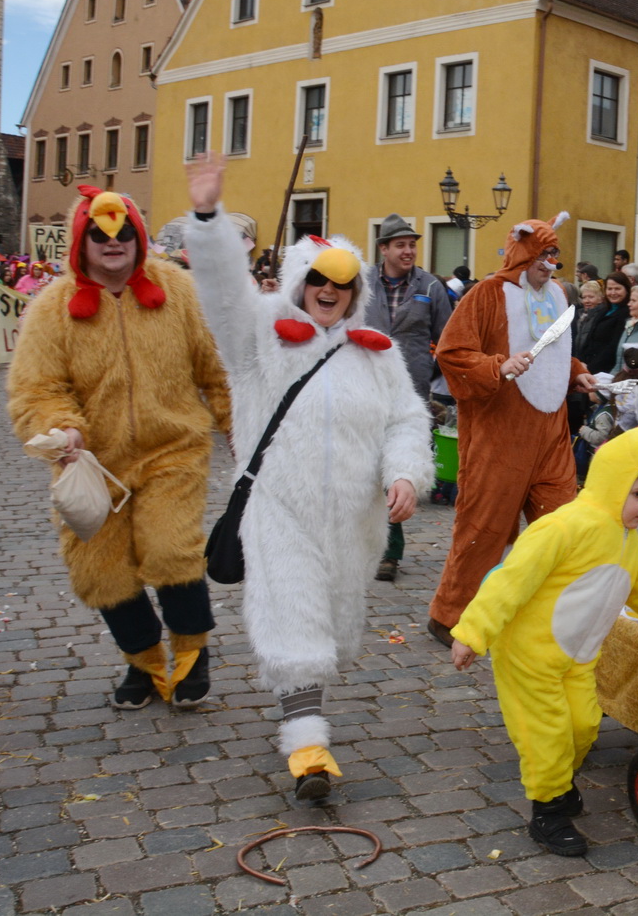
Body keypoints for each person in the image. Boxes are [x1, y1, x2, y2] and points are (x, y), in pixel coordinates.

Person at [184, 160, 429, 798]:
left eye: (339, 285)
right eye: (316, 279)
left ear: (355, 293)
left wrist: (404, 472)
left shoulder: (378, 354)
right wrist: (209, 221)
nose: (328, 291)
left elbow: (407, 419)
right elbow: (222, 294)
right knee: (294, 625)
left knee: (335, 628)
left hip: (353, 521)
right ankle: (307, 746)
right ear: (300, 282)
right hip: (280, 510)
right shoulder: (259, 338)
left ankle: (308, 717)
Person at [8, 186, 231, 709]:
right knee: (100, 571)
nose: (114, 243)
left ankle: (193, 656)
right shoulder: (51, 309)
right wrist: (60, 426)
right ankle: (144, 662)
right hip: (92, 465)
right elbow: (35, 388)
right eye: (100, 235)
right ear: (80, 243)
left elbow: (218, 370)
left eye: (125, 232)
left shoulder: (179, 291)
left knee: (169, 548)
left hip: (173, 448)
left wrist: (242, 429)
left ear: (140, 237)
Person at [448, 424, 638, 856]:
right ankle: (548, 813)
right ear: (613, 482)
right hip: (530, 655)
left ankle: (559, 785)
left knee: (582, 727)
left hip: (578, 656)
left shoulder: (627, 542)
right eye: (636, 494)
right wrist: (471, 633)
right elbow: (510, 581)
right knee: (549, 735)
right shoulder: (564, 527)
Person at [427, 214, 596, 643]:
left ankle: (546, 614)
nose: (550, 264)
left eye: (555, 255)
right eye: (543, 254)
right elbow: (451, 352)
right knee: (483, 526)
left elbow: (554, 351)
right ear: (522, 251)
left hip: (552, 429)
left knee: (559, 524)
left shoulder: (557, 296)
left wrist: (576, 373)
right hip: (499, 431)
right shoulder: (486, 295)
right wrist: (496, 366)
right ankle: (450, 615)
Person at [363, 214, 454, 583]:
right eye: (400, 244)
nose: (408, 250)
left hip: (410, 393)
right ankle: (362, 541)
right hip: (365, 386)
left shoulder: (430, 287)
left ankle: (389, 551)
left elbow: (449, 340)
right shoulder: (361, 284)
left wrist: (432, 382)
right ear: (383, 248)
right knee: (364, 465)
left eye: (412, 244)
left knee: (395, 466)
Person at [578, 272, 631, 376]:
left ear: (626, 290)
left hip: (604, 371)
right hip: (586, 367)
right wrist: (580, 363)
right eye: (609, 289)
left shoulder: (626, 314)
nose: (613, 292)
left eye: (617, 289)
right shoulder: (603, 310)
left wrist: (590, 368)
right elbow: (589, 338)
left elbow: (613, 346)